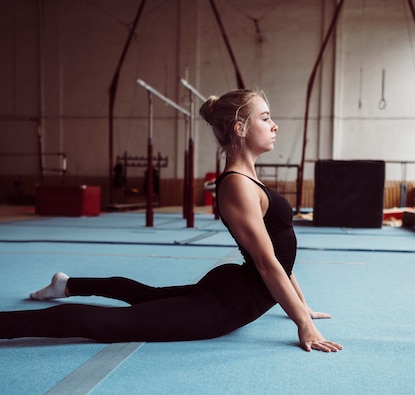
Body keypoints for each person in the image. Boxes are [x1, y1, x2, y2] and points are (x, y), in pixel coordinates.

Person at [1, 88, 342, 352]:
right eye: (265, 117)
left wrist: (302, 306)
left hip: (233, 289)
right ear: (240, 127)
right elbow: (267, 263)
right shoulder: (237, 184)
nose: (274, 125)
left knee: (146, 295)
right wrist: (302, 323)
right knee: (115, 323)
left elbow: (280, 254)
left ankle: (68, 284)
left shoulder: (249, 180)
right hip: (225, 305)